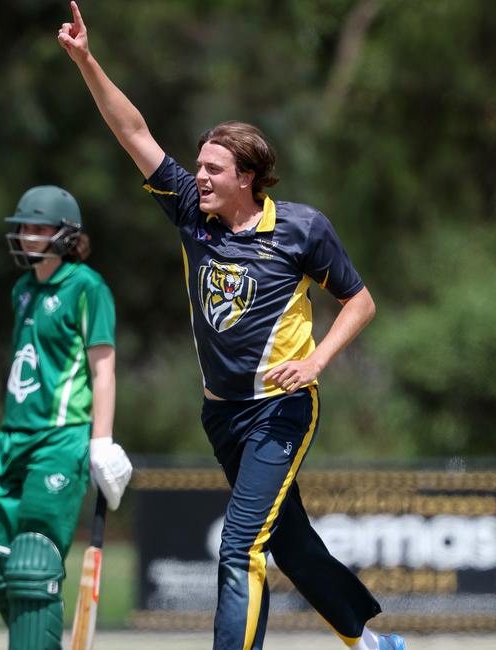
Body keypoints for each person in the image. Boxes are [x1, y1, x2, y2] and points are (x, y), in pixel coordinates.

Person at [57, 4, 406, 650]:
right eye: (200, 167)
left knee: (240, 545)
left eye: (214, 169)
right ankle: (371, 641)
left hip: (281, 410)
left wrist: (317, 361)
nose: (201, 177)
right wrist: (85, 61)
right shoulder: (193, 213)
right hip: (222, 416)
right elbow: (131, 130)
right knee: (290, 544)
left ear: (247, 177)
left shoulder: (302, 229)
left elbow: (360, 303)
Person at [0, 184, 133, 650]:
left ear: (65, 234)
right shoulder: (23, 290)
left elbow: (103, 368)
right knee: (0, 568)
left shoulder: (88, 287)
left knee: (33, 562)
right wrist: (2, 438)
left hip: (60, 440)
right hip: (11, 439)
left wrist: (100, 441)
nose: (27, 236)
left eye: (39, 228)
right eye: (23, 228)